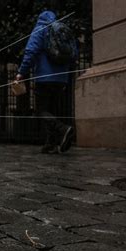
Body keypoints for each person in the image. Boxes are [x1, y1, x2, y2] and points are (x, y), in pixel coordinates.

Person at [16, 10, 76, 154]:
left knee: (41, 110)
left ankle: (63, 129)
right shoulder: (62, 29)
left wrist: (21, 72)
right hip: (62, 78)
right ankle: (51, 144)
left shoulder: (40, 29)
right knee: (52, 110)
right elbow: (74, 53)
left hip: (44, 77)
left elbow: (30, 51)